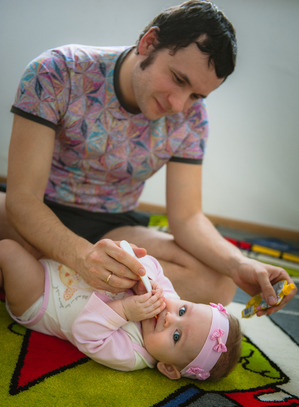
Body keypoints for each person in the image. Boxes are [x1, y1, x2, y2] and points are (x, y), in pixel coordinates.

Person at [0, 1, 296, 310]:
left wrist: (239, 264)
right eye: (179, 80)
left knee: (219, 284)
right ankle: (80, 289)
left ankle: (34, 276)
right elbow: (23, 200)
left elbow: (187, 217)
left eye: (196, 95)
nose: (178, 105)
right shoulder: (57, 71)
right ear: (149, 43)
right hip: (33, 212)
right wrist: (81, 256)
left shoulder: (193, 119)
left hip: (113, 227)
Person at [0, 238, 242, 381]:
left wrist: (125, 311)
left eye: (176, 336)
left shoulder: (131, 354)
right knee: (32, 236)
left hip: (42, 298)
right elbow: (153, 265)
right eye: (183, 311)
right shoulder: (165, 297)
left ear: (168, 367)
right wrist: (144, 276)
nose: (168, 317)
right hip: (65, 265)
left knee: (8, 250)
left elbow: (84, 332)